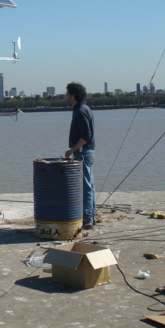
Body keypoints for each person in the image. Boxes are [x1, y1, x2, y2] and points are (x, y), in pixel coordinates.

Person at [64, 82, 96, 230]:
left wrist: (71, 151)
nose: (66, 96)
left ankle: (88, 219)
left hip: (83, 153)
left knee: (86, 186)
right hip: (85, 152)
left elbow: (86, 136)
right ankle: (90, 216)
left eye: (67, 93)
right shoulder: (82, 108)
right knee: (89, 185)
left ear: (73, 95)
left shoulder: (81, 110)